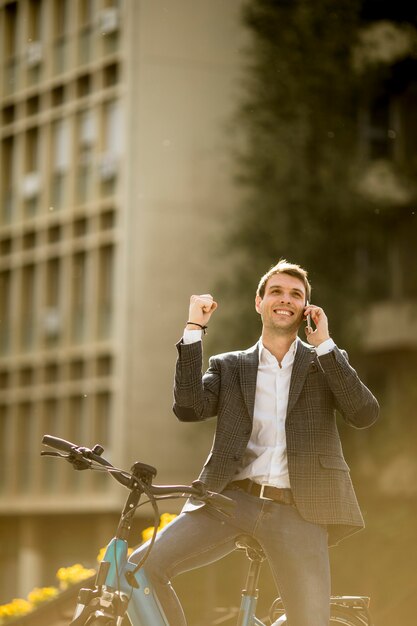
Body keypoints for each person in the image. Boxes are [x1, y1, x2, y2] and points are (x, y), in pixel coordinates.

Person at [131, 259, 379, 626]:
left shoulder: (325, 363)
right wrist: (195, 327)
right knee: (140, 568)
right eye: (276, 291)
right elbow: (188, 407)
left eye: (296, 294)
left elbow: (364, 413)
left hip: (300, 510)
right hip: (230, 501)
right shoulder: (230, 366)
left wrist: (325, 344)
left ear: (306, 308)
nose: (286, 299)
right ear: (259, 302)